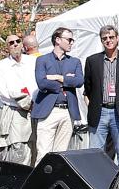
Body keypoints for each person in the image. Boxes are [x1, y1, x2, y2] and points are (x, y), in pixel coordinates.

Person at [83, 24, 119, 162]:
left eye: (111, 37)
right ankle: (97, 182)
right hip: (100, 111)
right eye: (105, 38)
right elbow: (88, 87)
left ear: (117, 38)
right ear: (101, 40)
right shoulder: (92, 60)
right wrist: (91, 105)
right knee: (95, 152)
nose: (108, 40)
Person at [31, 27, 82, 160]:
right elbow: (42, 83)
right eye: (69, 39)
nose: (71, 42)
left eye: (72, 40)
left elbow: (79, 81)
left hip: (67, 111)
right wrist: (67, 81)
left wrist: (59, 78)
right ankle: (41, 181)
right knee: (43, 154)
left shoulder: (75, 61)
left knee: (61, 156)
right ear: (58, 40)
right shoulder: (42, 60)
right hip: (48, 111)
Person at [0, 34, 38, 164]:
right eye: (11, 43)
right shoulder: (1, 65)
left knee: (35, 149)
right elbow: (4, 93)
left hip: (36, 110)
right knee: (18, 149)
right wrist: (25, 103)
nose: (14, 44)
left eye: (17, 41)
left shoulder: (33, 61)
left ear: (22, 44)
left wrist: (34, 103)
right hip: (15, 111)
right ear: (7, 47)